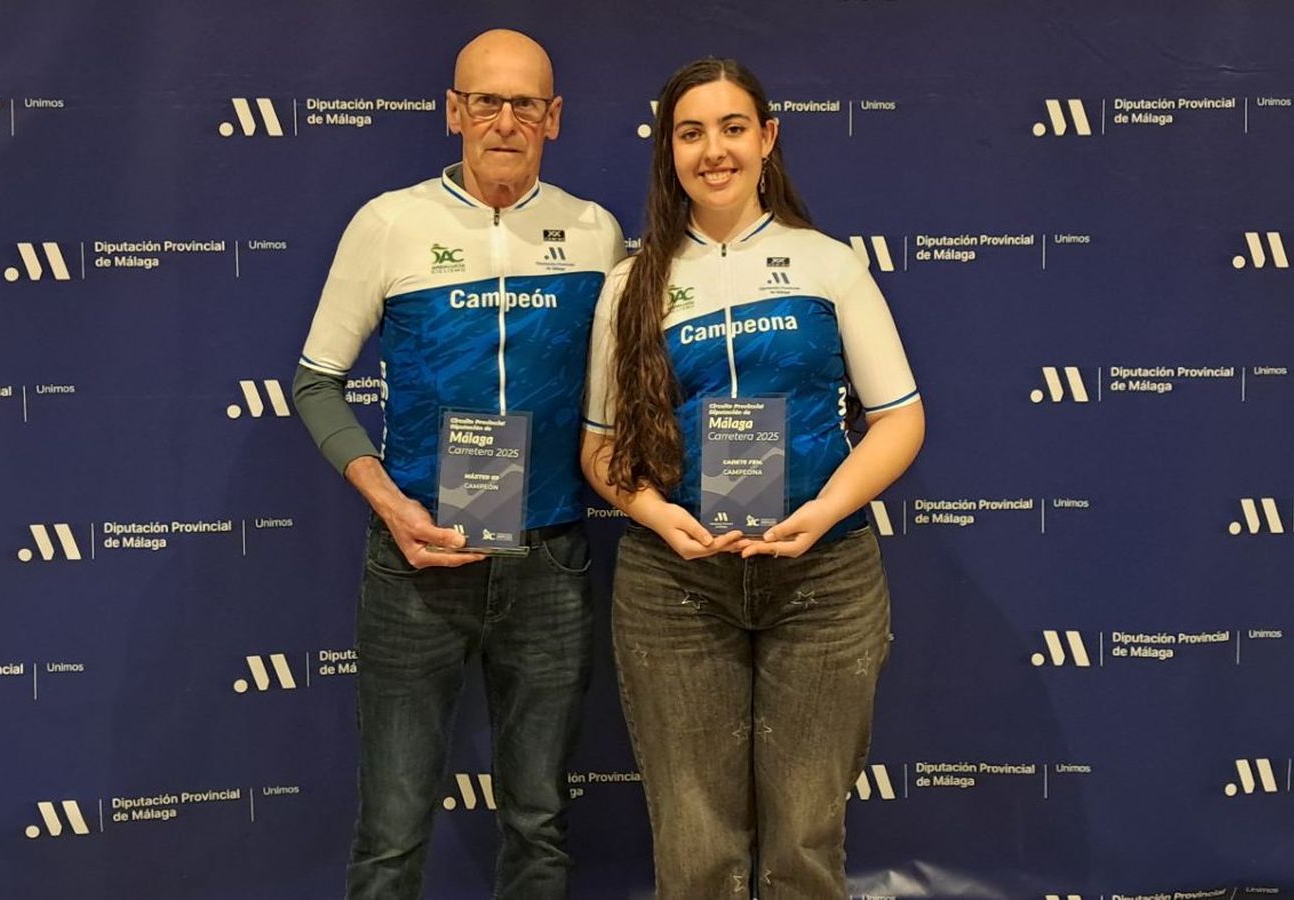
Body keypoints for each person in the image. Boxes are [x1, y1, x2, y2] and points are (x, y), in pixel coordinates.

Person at [292, 28, 624, 900]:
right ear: (453, 111)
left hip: (551, 561)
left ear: (553, 117)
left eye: (524, 104)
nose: (504, 121)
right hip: (417, 560)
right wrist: (390, 504)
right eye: (485, 101)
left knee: (539, 824)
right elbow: (316, 383)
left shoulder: (595, 231)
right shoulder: (388, 223)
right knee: (393, 831)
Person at [581, 58, 924, 899]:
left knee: (804, 845)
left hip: (824, 579)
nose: (714, 151)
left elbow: (900, 419)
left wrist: (824, 510)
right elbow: (600, 449)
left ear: (767, 138)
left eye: (733, 128)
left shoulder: (827, 264)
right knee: (696, 851)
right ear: (668, 151)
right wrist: (657, 516)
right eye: (691, 133)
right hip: (676, 585)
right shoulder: (630, 284)